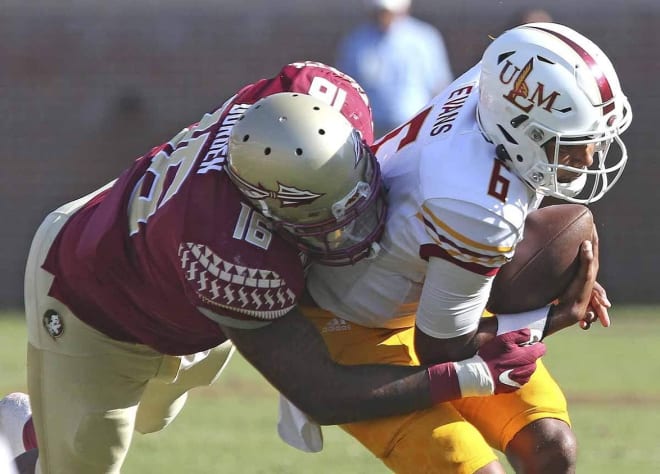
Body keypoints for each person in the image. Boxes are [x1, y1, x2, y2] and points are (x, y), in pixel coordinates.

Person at [15, 61, 549, 473]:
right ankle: (19, 437)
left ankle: (43, 421)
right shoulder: (229, 254)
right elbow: (319, 391)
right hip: (93, 297)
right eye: (332, 219)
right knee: (85, 456)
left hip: (163, 268)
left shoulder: (323, 97)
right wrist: (469, 375)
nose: (363, 222)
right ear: (266, 210)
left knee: (154, 415)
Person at [296, 23, 632, 473]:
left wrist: (558, 265)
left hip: (420, 292)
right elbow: (442, 350)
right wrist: (557, 315)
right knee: (472, 469)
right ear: (523, 131)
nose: (589, 157)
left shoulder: (491, 88)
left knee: (551, 447)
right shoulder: (474, 206)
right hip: (351, 324)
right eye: (572, 143)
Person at [336, 0, 453, 136]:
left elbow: (440, 85)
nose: (385, 18)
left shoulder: (424, 39)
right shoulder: (356, 41)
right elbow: (346, 88)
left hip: (415, 125)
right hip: (372, 127)